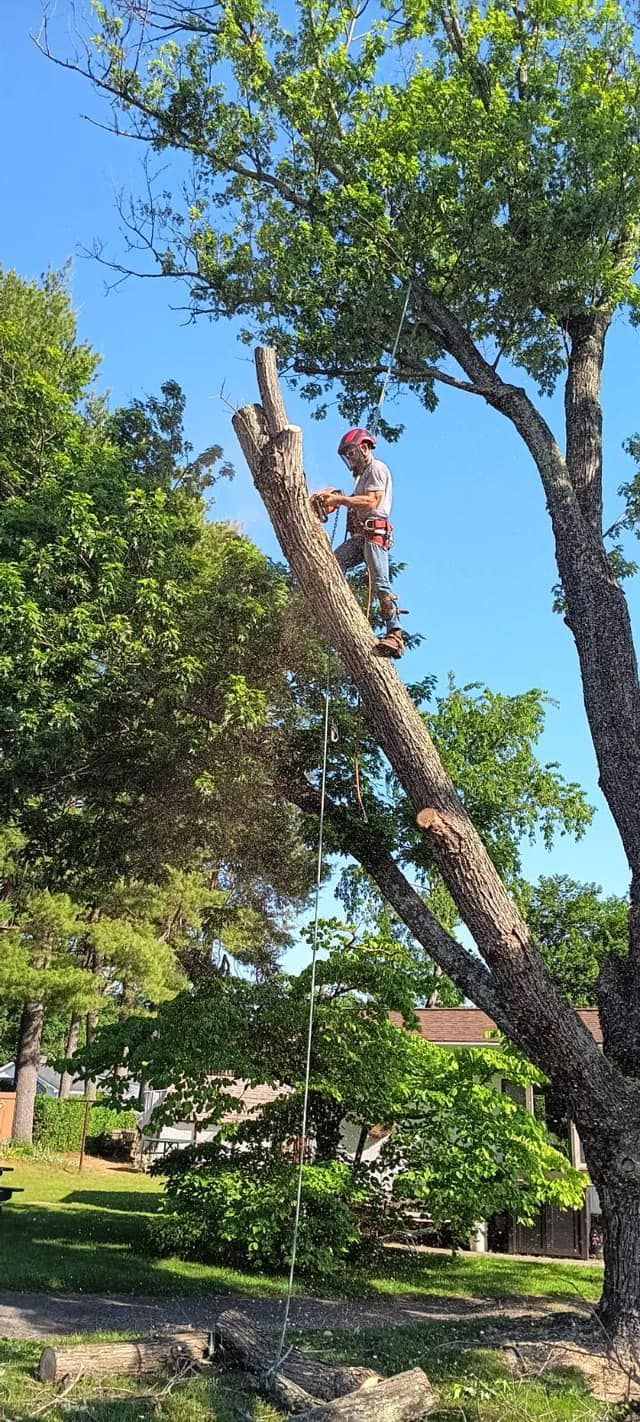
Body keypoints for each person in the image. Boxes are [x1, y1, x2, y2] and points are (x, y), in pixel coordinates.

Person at [313, 427, 404, 658]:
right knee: (333, 563)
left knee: (381, 584)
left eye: (351, 453)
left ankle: (395, 633)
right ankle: (339, 603)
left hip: (375, 533)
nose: (349, 460)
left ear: (364, 448)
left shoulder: (376, 468)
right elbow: (357, 502)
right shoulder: (361, 478)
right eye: (347, 456)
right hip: (361, 536)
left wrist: (341, 500)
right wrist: (335, 497)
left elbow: (372, 502)